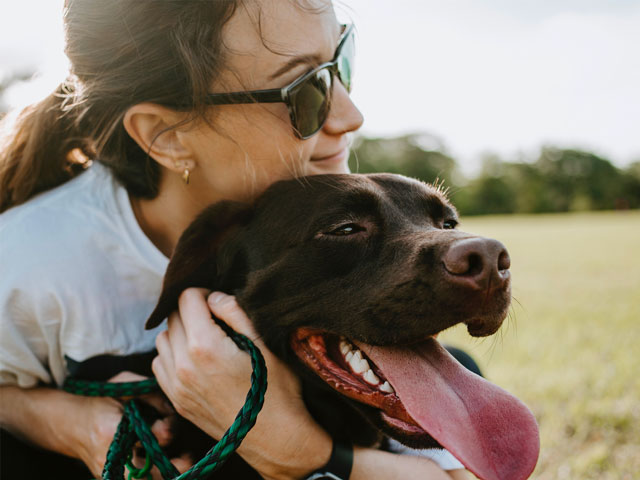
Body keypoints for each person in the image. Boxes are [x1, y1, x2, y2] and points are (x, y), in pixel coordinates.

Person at [0, 1, 469, 478]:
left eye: (341, 60)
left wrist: (296, 449)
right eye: (305, 91)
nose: (351, 115)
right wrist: (69, 423)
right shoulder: (27, 263)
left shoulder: (316, 187)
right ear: (167, 136)